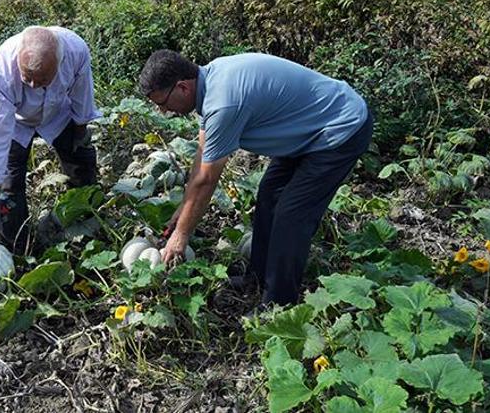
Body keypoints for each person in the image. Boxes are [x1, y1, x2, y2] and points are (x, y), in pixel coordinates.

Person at [139, 50, 373, 307]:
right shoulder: (212, 83)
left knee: (291, 215)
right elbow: (202, 156)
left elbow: (207, 179)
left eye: (163, 103)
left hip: (340, 128)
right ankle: (258, 276)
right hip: (305, 132)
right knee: (269, 195)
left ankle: (278, 304)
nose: (162, 111)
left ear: (182, 87)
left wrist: (180, 237)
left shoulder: (223, 102)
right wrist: (182, 211)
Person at [0, 26, 100, 251]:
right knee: (10, 186)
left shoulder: (75, 51)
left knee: (81, 164)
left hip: (59, 113)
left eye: (42, 79)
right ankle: (19, 246)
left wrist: (80, 131)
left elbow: (82, 94)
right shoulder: (4, 66)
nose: (33, 86)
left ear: (59, 64)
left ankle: (81, 220)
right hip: (17, 121)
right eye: (27, 78)